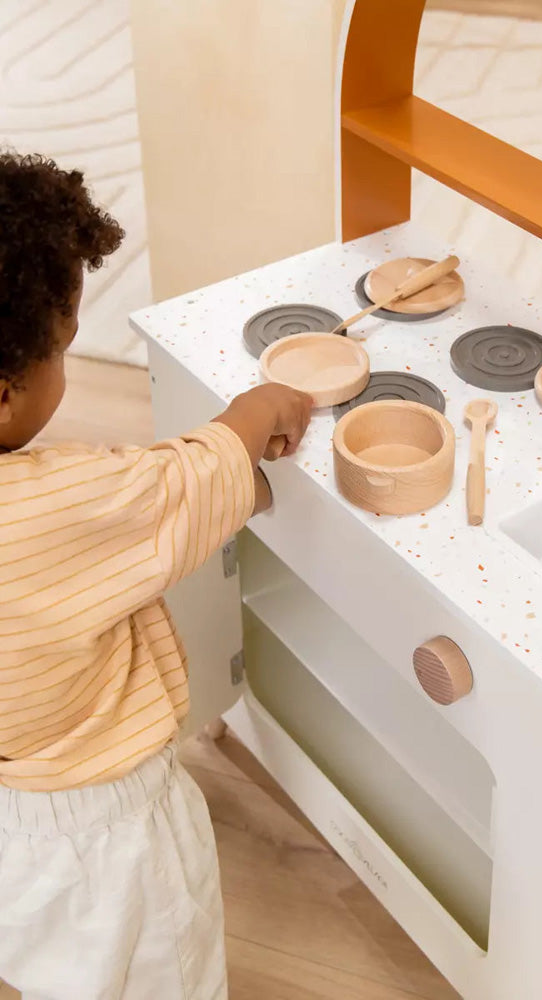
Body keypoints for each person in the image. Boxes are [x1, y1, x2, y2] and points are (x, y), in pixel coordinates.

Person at [0, 151, 312, 999]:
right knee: (163, 973)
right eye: (62, 348)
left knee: (62, 972)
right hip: (110, 829)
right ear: (6, 390)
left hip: (14, 817)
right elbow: (182, 485)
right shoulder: (57, 502)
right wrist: (255, 411)